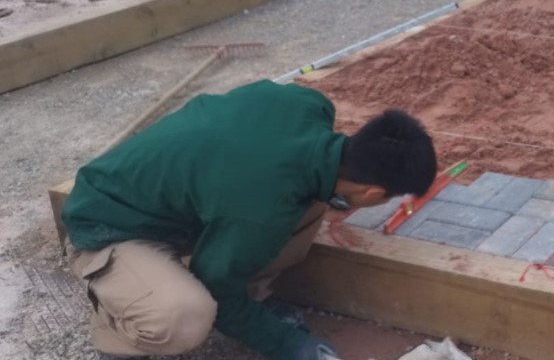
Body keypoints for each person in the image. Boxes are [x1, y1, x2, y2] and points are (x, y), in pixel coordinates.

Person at [62, 80, 437, 360]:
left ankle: (241, 294)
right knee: (186, 318)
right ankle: (119, 325)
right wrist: (290, 345)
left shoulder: (308, 104)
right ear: (372, 193)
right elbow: (217, 289)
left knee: (312, 202)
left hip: (173, 203)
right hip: (107, 221)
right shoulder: (264, 207)